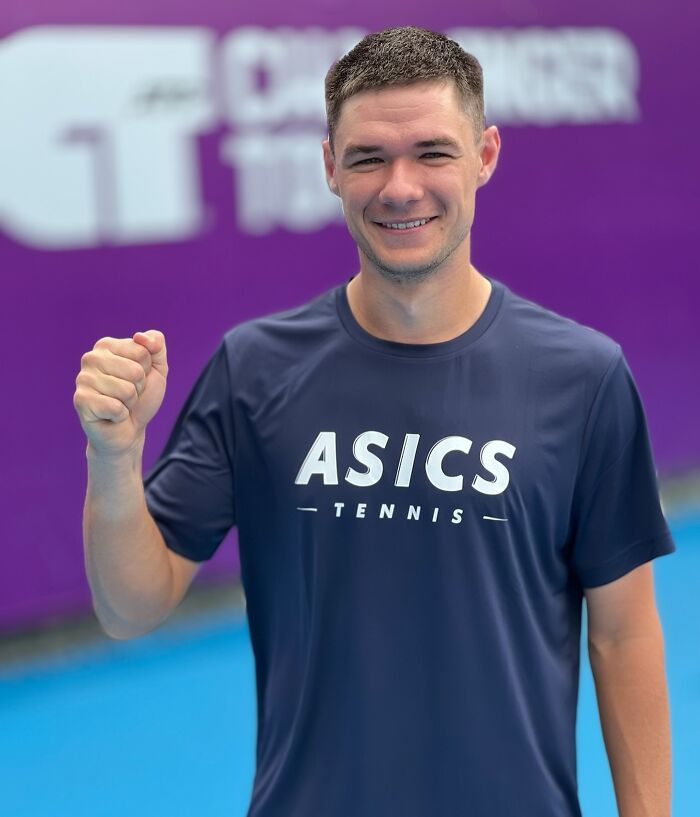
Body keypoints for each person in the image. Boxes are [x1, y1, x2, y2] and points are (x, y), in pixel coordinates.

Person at [73, 25, 674, 817]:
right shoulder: (254, 369)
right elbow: (128, 607)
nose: (399, 187)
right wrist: (114, 458)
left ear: (484, 156)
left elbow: (623, 633)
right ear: (329, 166)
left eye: (432, 152)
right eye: (367, 158)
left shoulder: (584, 377)